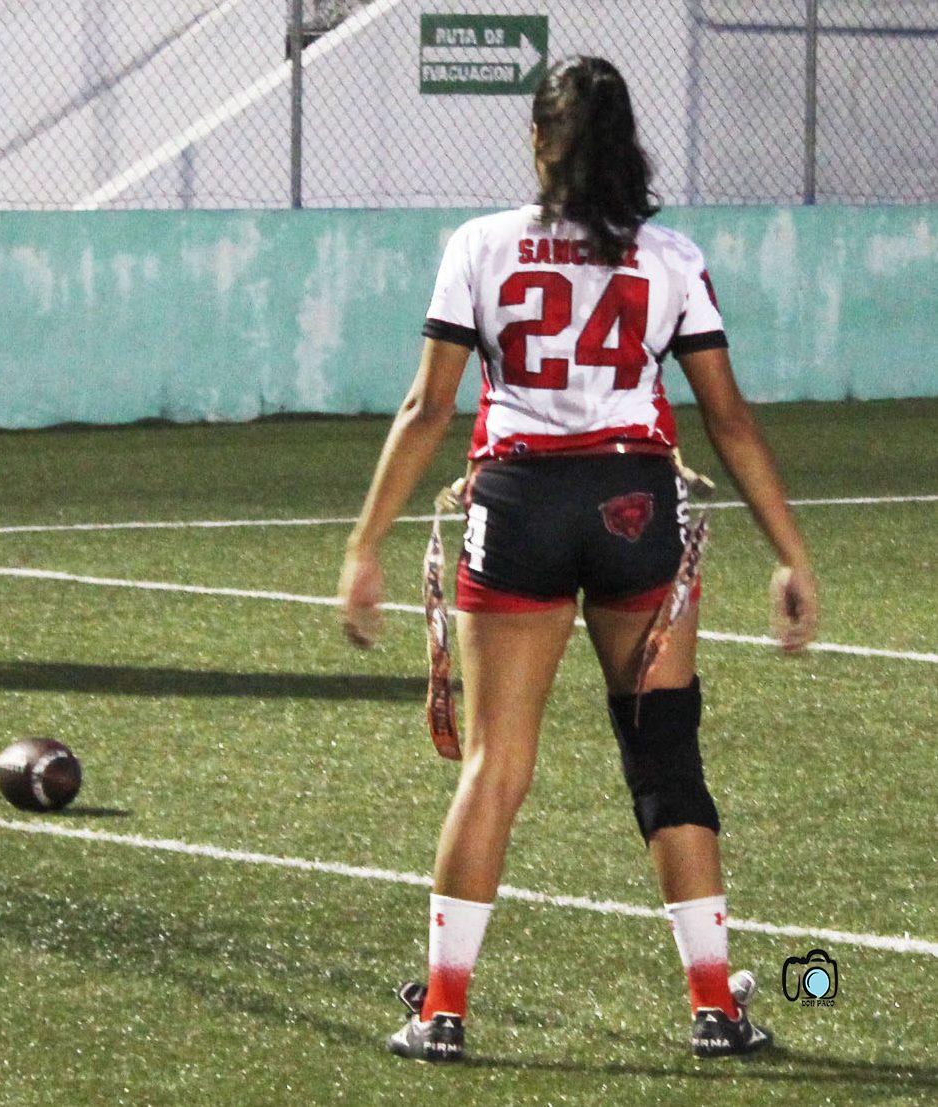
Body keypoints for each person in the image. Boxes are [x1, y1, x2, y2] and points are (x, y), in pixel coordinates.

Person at [335, 57, 818, 1063]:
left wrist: (363, 543)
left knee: (493, 767)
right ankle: (713, 1007)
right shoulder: (669, 257)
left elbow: (428, 408)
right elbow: (724, 417)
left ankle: (442, 1010)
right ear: (628, 144)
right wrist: (789, 553)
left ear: (537, 141)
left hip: (516, 503)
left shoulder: (478, 246)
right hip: (633, 503)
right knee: (663, 754)